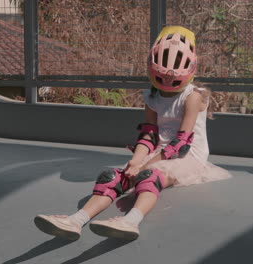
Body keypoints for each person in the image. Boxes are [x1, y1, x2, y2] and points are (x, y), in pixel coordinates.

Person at [34, 26, 231, 241]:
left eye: (171, 78)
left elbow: (181, 143)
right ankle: (76, 220)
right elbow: (149, 135)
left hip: (187, 156)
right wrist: (135, 161)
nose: (166, 83)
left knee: (149, 176)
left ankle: (131, 221)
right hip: (159, 151)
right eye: (162, 77)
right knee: (111, 178)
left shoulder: (193, 96)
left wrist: (144, 166)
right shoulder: (152, 96)